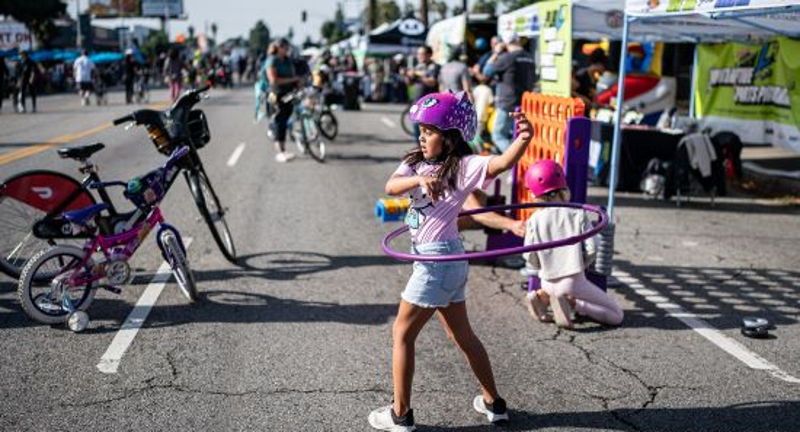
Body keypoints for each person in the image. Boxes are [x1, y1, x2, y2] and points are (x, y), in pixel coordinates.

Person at [368, 91, 534, 431]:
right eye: (422, 129)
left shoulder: (463, 167)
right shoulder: (415, 161)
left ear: (450, 137)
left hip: (437, 261)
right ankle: (494, 403)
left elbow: (501, 163)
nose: (422, 135)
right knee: (463, 335)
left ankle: (400, 415)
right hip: (447, 260)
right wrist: (419, 178)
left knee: (402, 334)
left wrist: (523, 140)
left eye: (429, 131)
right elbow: (391, 186)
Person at [522, 160, 623, 328]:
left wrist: (542, 266)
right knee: (616, 316)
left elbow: (529, 254)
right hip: (573, 280)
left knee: (552, 287)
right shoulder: (577, 214)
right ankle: (572, 303)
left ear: (534, 195)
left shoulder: (533, 220)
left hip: (546, 280)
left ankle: (541, 296)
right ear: (564, 189)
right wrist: (582, 263)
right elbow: (593, 247)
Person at [484, 34, 535, 152]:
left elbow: (486, 71)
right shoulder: (530, 58)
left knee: (498, 135)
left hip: (508, 103)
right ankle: (518, 160)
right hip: (523, 102)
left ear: (505, 44)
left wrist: (496, 53)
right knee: (514, 135)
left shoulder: (507, 58)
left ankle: (514, 160)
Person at [265, 39, 302, 163]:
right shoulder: (272, 60)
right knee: (279, 121)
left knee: (286, 119)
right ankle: (280, 151)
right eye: (285, 47)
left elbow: (293, 75)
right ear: (279, 47)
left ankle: (283, 148)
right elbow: (273, 81)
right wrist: (292, 79)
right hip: (276, 94)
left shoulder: (287, 60)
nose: (287, 50)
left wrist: (298, 82)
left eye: (287, 47)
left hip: (288, 93)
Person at [405, 46, 440, 139]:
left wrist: (418, 75)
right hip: (417, 102)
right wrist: (408, 76)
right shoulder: (418, 66)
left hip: (429, 104)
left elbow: (432, 82)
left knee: (428, 132)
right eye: (418, 54)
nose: (419, 56)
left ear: (429, 55)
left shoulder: (433, 66)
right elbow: (409, 83)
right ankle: (421, 150)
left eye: (422, 54)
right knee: (417, 130)